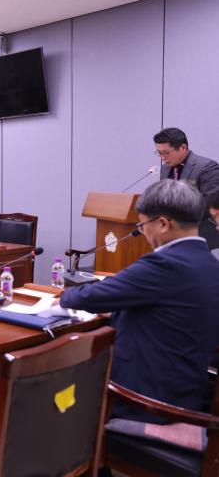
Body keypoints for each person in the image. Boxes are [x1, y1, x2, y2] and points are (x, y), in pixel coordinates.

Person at [60, 180, 219, 424]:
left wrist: (63, 295)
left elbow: (86, 297)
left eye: (142, 225)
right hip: (185, 392)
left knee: (54, 396)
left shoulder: (165, 264)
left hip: (143, 403)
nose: (142, 233)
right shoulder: (210, 264)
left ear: (163, 223)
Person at [154, 127, 219, 248]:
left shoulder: (206, 167)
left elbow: (211, 203)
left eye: (166, 153)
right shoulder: (165, 169)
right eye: (159, 153)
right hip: (173, 234)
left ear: (183, 147)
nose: (162, 157)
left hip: (201, 234)